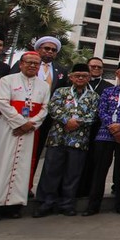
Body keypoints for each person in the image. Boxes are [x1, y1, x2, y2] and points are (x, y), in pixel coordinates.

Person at [0, 52, 50, 220]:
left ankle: (13, 205)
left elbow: (45, 108)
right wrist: (19, 122)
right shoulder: (7, 80)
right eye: (29, 62)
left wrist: (30, 124)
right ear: (21, 64)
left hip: (30, 130)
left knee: (23, 167)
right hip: (7, 128)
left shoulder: (43, 86)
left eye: (36, 63)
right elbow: (2, 103)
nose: (32, 66)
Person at [34, 63, 100, 217]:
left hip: (79, 140)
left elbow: (94, 114)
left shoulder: (93, 96)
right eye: (77, 76)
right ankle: (46, 203)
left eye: (84, 76)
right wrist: (66, 120)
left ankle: (67, 204)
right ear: (71, 77)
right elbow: (53, 108)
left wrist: (79, 122)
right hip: (58, 138)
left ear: (89, 78)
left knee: (73, 174)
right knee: (51, 172)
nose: (80, 78)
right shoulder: (61, 91)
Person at [82, 60, 120, 216]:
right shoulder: (108, 92)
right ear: (117, 73)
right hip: (105, 135)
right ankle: (93, 205)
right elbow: (101, 111)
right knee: (100, 170)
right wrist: (113, 127)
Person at [9, 36, 67, 196]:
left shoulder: (60, 70)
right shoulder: (22, 65)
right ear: (38, 49)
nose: (49, 52)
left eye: (53, 50)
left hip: (45, 119)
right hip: (19, 118)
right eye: (46, 48)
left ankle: (25, 187)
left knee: (34, 152)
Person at [77, 56, 111, 198]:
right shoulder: (78, 84)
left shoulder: (108, 86)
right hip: (77, 127)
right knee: (77, 161)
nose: (96, 69)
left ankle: (89, 191)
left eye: (99, 67)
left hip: (99, 127)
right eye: (93, 66)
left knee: (95, 160)